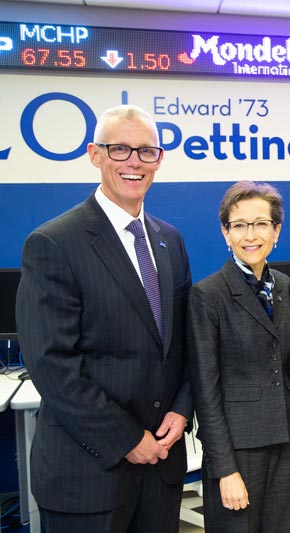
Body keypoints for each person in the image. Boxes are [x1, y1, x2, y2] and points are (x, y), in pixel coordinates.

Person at [15, 104, 192, 532]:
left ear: (160, 159)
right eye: (120, 149)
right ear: (94, 154)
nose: (134, 161)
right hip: (88, 477)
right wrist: (128, 440)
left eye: (146, 151)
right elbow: (52, 365)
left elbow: (183, 342)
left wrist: (183, 410)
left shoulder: (170, 239)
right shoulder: (54, 243)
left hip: (161, 469)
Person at [187, 181, 290, 532]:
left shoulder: (282, 286)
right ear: (226, 233)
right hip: (238, 448)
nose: (250, 235)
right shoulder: (208, 296)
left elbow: (288, 367)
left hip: (282, 439)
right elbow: (205, 393)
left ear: (276, 230)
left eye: (260, 224)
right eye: (239, 225)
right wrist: (224, 469)